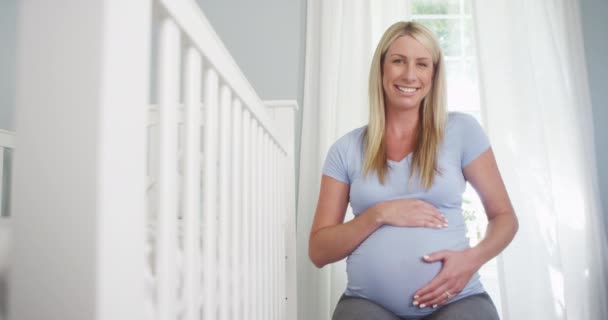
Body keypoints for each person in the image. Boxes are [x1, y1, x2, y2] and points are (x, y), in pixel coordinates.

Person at [308, 21, 518, 320]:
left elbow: (505, 217)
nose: (409, 74)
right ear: (381, 69)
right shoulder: (346, 149)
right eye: (398, 61)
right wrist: (379, 214)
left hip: (457, 301)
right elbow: (318, 251)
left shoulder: (462, 131)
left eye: (422, 64)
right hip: (368, 304)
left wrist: (472, 259)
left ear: (433, 74)